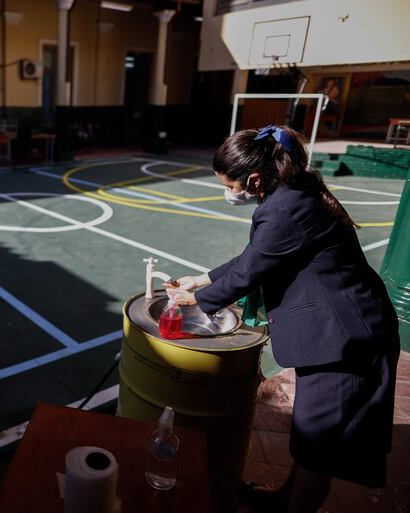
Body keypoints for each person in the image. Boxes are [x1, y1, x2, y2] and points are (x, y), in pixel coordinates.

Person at [165, 125, 400, 513]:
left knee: (318, 447)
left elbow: (249, 272)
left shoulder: (284, 210)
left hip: (345, 340)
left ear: (254, 179)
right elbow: (255, 256)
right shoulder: (291, 193)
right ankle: (284, 500)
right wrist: (202, 277)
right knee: (313, 444)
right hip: (342, 330)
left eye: (230, 185)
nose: (229, 193)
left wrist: (194, 299)